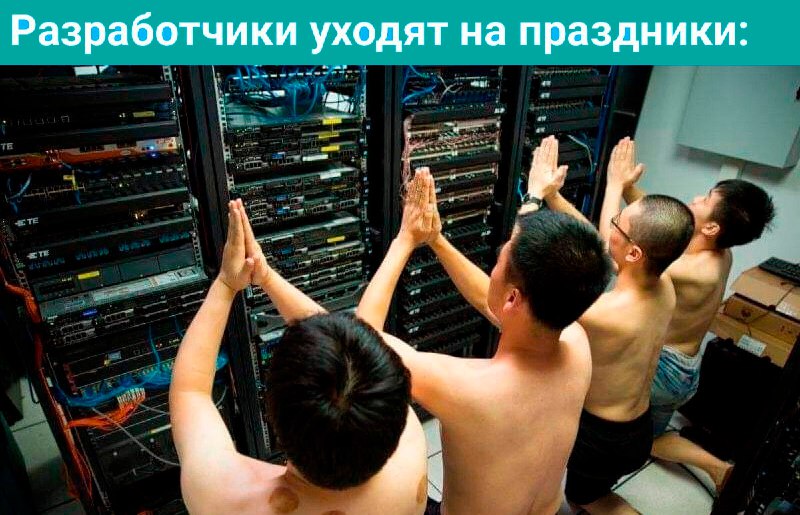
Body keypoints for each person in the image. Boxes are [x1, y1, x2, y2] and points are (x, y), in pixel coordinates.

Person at [356, 164, 614, 514]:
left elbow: (362, 340)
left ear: (513, 298)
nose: (492, 270)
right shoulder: (577, 340)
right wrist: (436, 240)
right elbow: (494, 302)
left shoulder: (468, 388)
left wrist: (405, 240)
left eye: (498, 262)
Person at [170, 199, 428, 515]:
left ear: (272, 417)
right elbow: (341, 345)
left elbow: (190, 392)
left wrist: (225, 284)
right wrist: (266, 276)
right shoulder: (410, 452)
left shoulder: (227, 499)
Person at [540, 136, 695, 514]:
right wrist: (555, 197)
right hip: (636, 427)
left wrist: (534, 201)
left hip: (602, 436)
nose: (608, 226)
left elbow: (507, 306)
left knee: (586, 499)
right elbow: (603, 247)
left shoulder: (604, 313)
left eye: (616, 225)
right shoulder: (663, 284)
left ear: (635, 252)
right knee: (589, 493)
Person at [617, 146, 776, 492]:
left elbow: (622, 248)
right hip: (685, 370)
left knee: (603, 409)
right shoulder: (720, 252)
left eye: (705, 199)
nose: (695, 199)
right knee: (647, 440)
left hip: (665, 371)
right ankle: (721, 470)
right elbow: (661, 227)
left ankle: (717, 467)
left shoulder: (694, 270)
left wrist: (613, 188)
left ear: (713, 226)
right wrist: (628, 187)